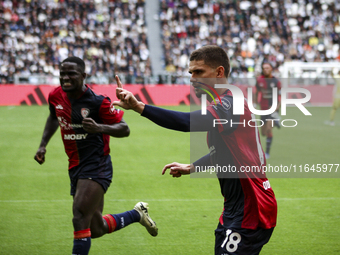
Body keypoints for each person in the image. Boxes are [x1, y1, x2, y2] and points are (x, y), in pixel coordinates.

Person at [113, 45, 277, 255]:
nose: (192, 78)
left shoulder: (230, 104)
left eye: (199, 72)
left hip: (252, 208)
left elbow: (185, 122)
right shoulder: (228, 101)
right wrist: (192, 167)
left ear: (219, 72)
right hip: (236, 206)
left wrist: (139, 107)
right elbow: (225, 151)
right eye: (190, 72)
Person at [34, 56, 158, 255]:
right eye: (62, 74)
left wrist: (99, 127)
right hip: (74, 165)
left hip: (96, 164)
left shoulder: (97, 101)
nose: (65, 78)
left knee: (79, 217)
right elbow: (53, 117)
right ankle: (136, 215)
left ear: (83, 76)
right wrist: (42, 146)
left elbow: (124, 129)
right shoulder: (55, 96)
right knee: (95, 228)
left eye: (71, 74)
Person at [254, 62, 281, 159]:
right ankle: (277, 122)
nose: (265, 69)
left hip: (272, 108)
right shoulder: (259, 80)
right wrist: (255, 103)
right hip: (263, 108)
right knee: (263, 133)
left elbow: (280, 96)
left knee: (269, 129)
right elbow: (256, 92)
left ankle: (267, 153)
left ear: (271, 69)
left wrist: (277, 108)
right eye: (264, 68)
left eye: (267, 68)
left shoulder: (276, 81)